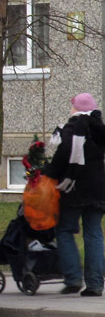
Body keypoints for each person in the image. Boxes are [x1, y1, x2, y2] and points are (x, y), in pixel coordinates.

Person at [45, 93, 105, 296]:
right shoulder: (100, 128)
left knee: (64, 230)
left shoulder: (73, 128)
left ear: (77, 108)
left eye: (72, 106)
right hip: (98, 189)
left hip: (74, 188)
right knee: (94, 234)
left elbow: (63, 156)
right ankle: (95, 284)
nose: (70, 110)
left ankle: (72, 278)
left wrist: (48, 174)